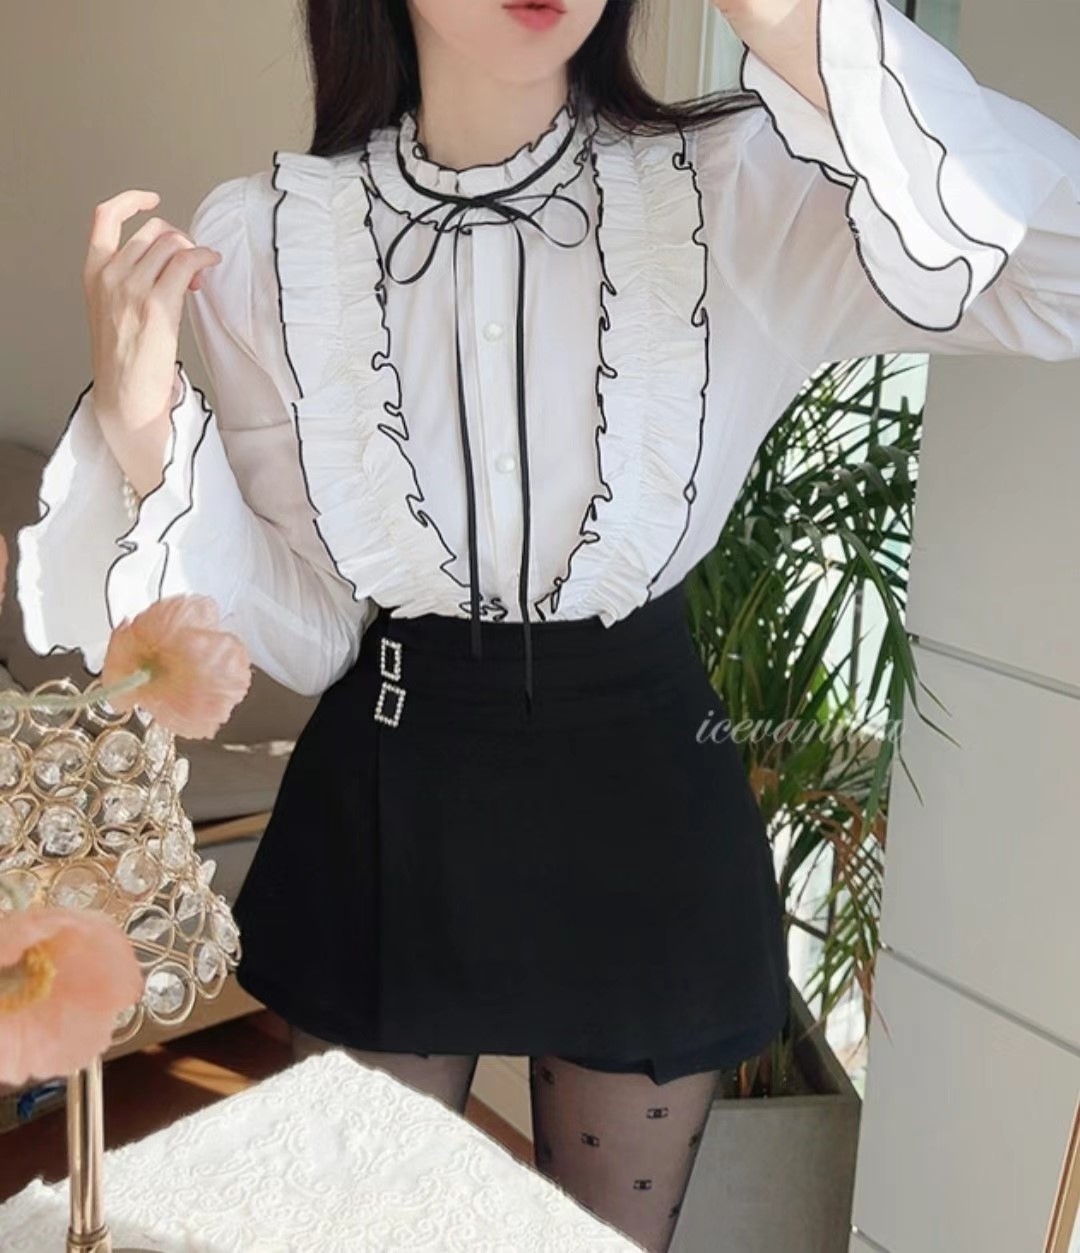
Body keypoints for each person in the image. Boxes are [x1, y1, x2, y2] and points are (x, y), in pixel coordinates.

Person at [15, 0, 1080, 1248]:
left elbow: (1056, 279)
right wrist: (144, 435)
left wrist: (798, 27)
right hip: (390, 799)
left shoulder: (735, 189)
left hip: (645, 807)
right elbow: (310, 630)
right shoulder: (268, 244)